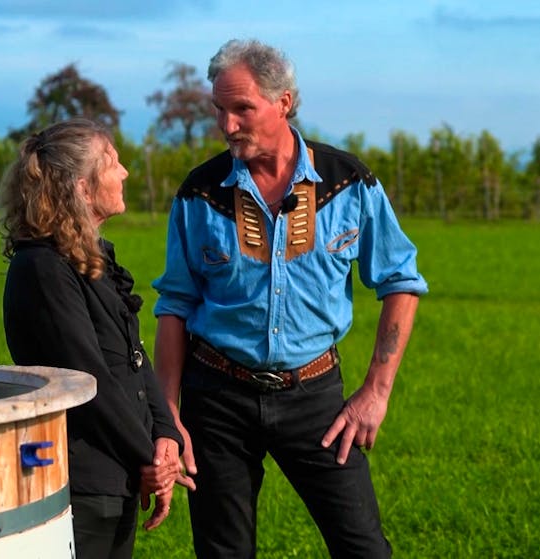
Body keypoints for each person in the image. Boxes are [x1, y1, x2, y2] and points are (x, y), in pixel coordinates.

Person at [152, 38, 427, 558]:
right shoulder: (199, 193)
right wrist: (169, 415)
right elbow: (174, 305)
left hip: (316, 397)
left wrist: (376, 391)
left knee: (364, 549)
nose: (227, 125)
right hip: (216, 400)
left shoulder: (349, 183)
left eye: (242, 109)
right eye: (219, 110)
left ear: (284, 102)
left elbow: (401, 281)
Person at [0, 118, 188, 559]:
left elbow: (133, 357)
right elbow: (87, 378)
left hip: (117, 471)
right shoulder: (44, 268)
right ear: (82, 188)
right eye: (113, 163)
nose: (125, 173)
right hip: (81, 482)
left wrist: (166, 435)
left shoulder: (88, 257)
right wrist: (152, 460)